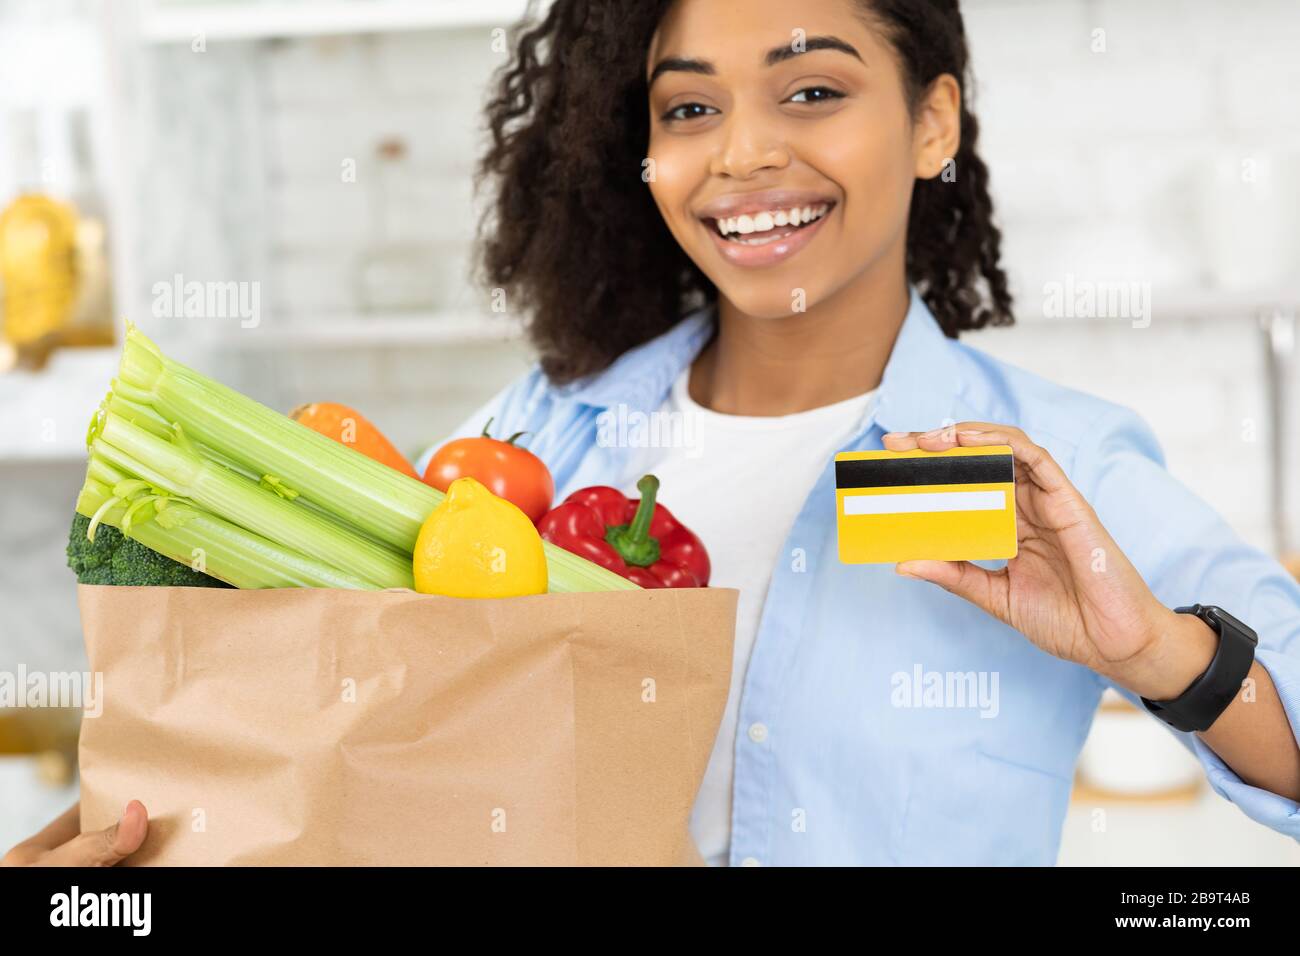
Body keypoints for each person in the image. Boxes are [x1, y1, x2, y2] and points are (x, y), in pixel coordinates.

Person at [8, 0, 1298, 867]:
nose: (740, 152)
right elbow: (336, 724)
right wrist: (87, 875)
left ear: (932, 124)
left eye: (810, 90)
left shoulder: (1042, 471)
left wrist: (1161, 656)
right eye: (688, 110)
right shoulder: (531, 449)